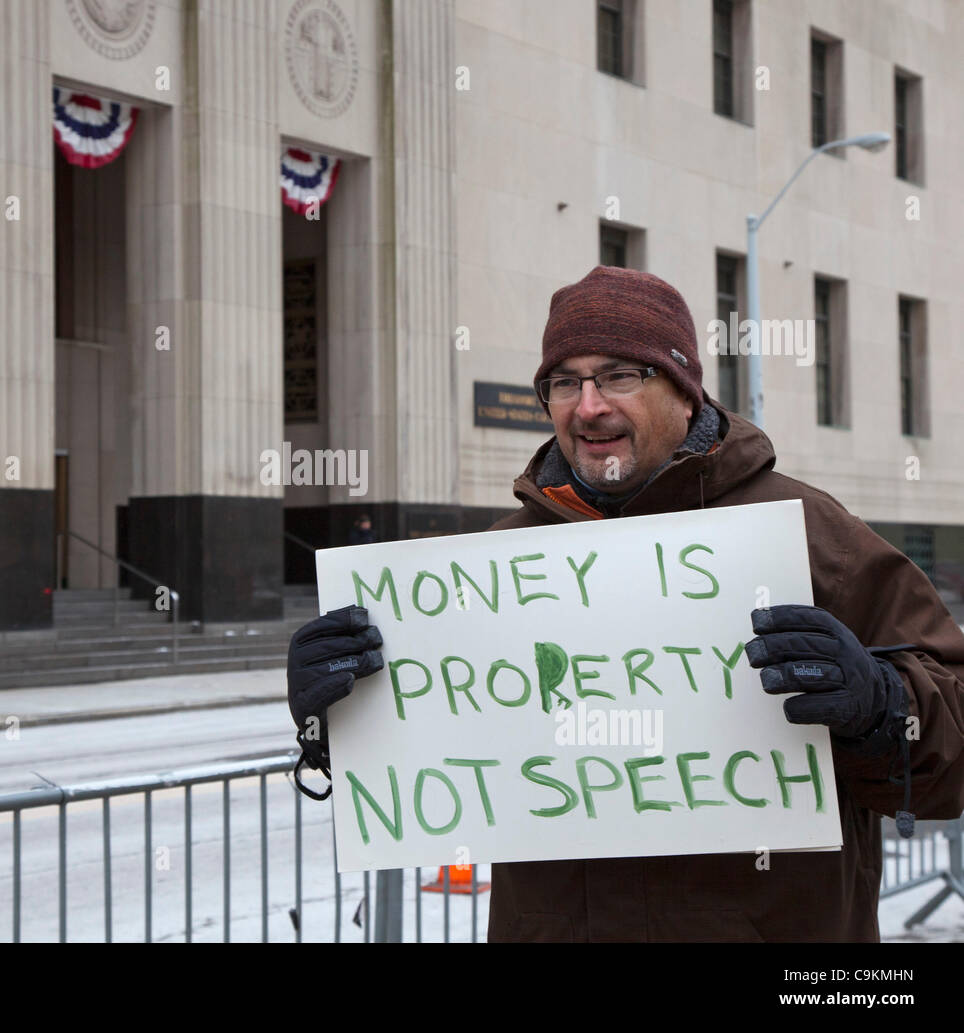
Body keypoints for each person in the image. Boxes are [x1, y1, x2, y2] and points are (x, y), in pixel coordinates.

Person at [286, 265, 964, 942]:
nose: (588, 406)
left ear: (685, 393)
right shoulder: (487, 572)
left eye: (619, 376)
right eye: (564, 382)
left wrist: (882, 707)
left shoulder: (811, 536)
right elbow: (428, 771)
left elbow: (953, 749)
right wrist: (333, 720)